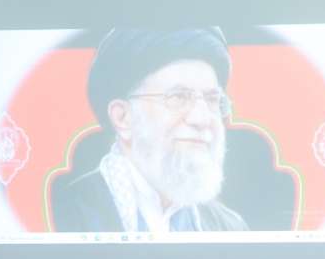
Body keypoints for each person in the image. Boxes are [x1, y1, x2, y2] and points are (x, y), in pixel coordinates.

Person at [51, 27, 248, 232]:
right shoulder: (63, 214)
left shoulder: (230, 228)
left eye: (212, 99)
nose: (202, 118)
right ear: (123, 118)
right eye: (178, 97)